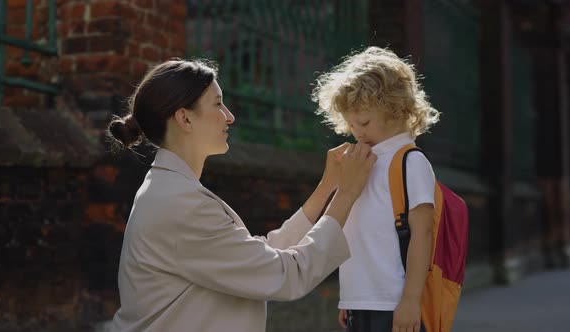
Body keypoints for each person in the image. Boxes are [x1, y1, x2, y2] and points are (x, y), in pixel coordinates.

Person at [106, 58, 377, 332]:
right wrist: (347, 194)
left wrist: (327, 187)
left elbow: (259, 254)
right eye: (217, 104)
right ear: (185, 118)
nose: (229, 116)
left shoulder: (169, 189)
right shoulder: (178, 203)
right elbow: (288, 274)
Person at [312, 46, 441, 332]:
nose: (356, 132)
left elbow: (423, 234)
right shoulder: (362, 162)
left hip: (394, 302)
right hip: (361, 301)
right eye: (350, 124)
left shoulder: (410, 161)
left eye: (364, 122)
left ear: (395, 110)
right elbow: (358, 233)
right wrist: (350, 298)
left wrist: (410, 300)